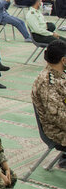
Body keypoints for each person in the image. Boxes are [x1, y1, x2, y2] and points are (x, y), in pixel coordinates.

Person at [31, 40, 66, 168]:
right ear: (63, 60)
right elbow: (57, 117)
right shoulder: (47, 82)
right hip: (56, 131)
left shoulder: (59, 74)